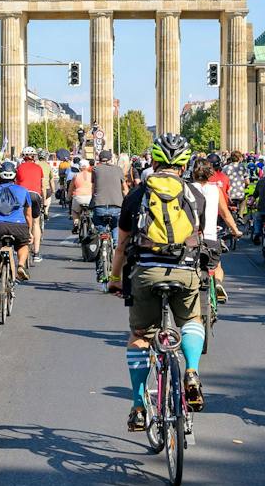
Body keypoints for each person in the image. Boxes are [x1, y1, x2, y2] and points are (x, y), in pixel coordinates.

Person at [109, 134, 210, 426]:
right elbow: (200, 237)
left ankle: (139, 406)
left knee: (140, 335)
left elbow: (121, 244)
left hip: (146, 272)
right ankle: (191, 370)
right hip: (185, 270)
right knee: (192, 319)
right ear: (184, 165)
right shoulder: (195, 194)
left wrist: (115, 278)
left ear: (153, 162)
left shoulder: (138, 195)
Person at [0, 159, 39, 306]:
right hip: (19, 226)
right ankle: (21, 265)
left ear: (0, 176)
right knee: (23, 244)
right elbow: (28, 215)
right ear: (14, 176)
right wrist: (29, 231)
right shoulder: (23, 191)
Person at [189, 155, 241, 305]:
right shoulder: (215, 190)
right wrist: (235, 230)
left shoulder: (187, 189)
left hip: (191, 239)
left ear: (193, 173)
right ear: (210, 173)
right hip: (210, 238)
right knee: (217, 266)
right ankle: (217, 282)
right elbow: (225, 214)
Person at [90, 150, 126, 247]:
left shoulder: (95, 169)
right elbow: (125, 189)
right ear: (111, 159)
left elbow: (93, 189)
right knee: (116, 224)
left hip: (99, 205)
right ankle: (116, 243)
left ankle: (102, 234)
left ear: (99, 159)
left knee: (97, 221)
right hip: (116, 205)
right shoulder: (118, 169)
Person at [15, 146, 47, 255]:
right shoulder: (39, 168)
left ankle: (20, 246)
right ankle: (36, 252)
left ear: (23, 157)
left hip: (22, 195)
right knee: (36, 223)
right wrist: (43, 200)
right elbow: (42, 186)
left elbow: (16, 184)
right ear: (34, 157)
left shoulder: (19, 168)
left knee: (21, 220)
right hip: (35, 195)